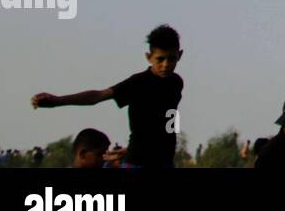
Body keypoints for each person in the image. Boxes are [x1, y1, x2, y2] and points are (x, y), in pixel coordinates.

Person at [30, 24, 185, 168]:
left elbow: (161, 126)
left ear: (179, 55)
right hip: (138, 164)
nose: (165, 65)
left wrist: (128, 149)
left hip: (165, 163)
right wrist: (57, 101)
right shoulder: (138, 83)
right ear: (149, 57)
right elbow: (98, 96)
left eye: (171, 59)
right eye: (160, 59)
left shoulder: (176, 83)